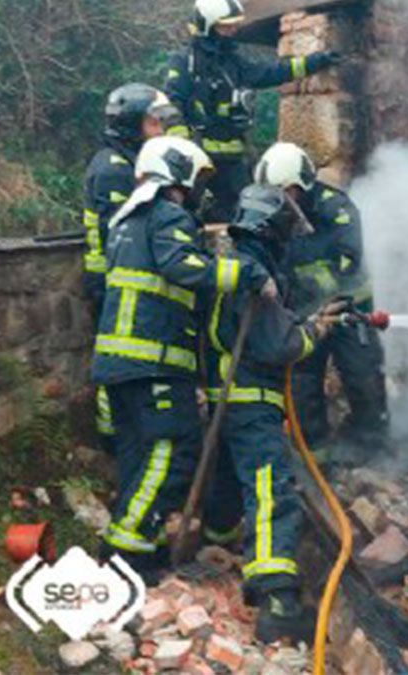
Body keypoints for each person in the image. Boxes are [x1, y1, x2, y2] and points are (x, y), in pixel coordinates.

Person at [93, 136, 274, 579]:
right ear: (179, 171)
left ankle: (143, 543)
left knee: (139, 458)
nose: (199, 188)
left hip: (120, 365)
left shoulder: (125, 220)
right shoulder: (167, 214)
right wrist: (246, 272)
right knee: (170, 450)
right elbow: (183, 267)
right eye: (198, 177)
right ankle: (126, 555)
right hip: (153, 362)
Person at [199, 183, 345, 642]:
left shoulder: (233, 267)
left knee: (228, 477)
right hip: (251, 399)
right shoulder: (255, 274)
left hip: (226, 398)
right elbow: (277, 344)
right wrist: (315, 332)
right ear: (270, 228)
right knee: (269, 489)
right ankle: (277, 600)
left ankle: (216, 543)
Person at [254, 142, 388, 461]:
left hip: (349, 310)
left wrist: (306, 288)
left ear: (296, 186)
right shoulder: (274, 213)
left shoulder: (336, 208)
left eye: (282, 192)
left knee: (364, 377)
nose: (276, 202)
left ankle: (370, 449)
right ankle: (316, 456)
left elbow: (347, 263)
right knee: (302, 384)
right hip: (303, 315)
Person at [164, 0, 341, 222]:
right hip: (201, 162)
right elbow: (172, 104)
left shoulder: (233, 62)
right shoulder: (185, 61)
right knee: (195, 217)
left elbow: (270, 72)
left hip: (235, 161)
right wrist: (186, 150)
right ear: (206, 26)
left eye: (234, 25)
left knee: (244, 216)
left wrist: (316, 61)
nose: (232, 31)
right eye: (225, 26)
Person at [83, 84, 187, 445]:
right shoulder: (113, 167)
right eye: (153, 123)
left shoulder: (128, 159)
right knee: (115, 359)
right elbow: (121, 229)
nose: (159, 129)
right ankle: (111, 439)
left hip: (116, 278)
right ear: (130, 124)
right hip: (109, 280)